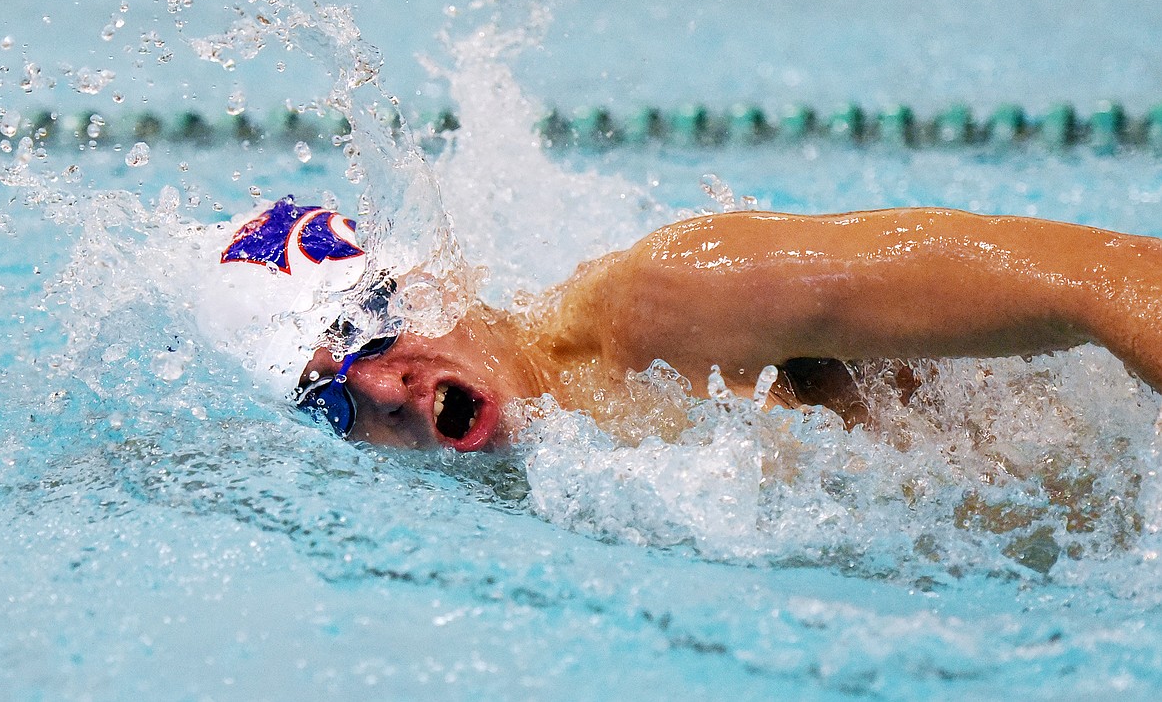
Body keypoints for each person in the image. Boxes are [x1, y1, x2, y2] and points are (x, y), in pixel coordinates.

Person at [195, 196, 1162, 452]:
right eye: (324, 400)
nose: (374, 386)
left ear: (437, 279)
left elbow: (1109, 280)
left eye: (369, 331)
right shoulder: (564, 461)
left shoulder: (673, 305)